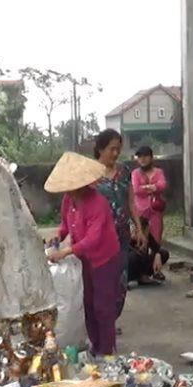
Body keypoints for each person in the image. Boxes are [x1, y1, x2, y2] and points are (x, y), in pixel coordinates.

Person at [46, 152, 122, 357]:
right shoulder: (68, 201)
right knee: (87, 304)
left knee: (103, 307)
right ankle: (95, 346)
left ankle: (107, 352)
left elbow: (93, 238)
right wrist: (57, 237)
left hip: (105, 259)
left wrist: (65, 252)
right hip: (85, 260)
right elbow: (65, 225)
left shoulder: (98, 203)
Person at [93, 129, 146, 319]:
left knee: (121, 281)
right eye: (111, 149)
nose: (115, 153)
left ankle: (111, 320)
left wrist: (138, 229)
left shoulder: (124, 171)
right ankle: (103, 324)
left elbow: (131, 202)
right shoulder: (89, 174)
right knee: (101, 282)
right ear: (100, 148)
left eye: (118, 149)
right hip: (98, 238)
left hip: (121, 236)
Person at [131, 146, 168, 244]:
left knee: (156, 238)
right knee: (140, 239)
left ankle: (155, 256)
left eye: (145, 156)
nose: (142, 159)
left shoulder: (159, 172)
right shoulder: (135, 173)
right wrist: (154, 188)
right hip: (140, 211)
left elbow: (163, 185)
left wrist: (147, 187)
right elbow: (136, 190)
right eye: (139, 157)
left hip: (155, 208)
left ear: (151, 157)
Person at [128, 216, 169, 285]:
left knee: (163, 253)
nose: (147, 233)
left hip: (143, 261)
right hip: (131, 264)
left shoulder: (148, 236)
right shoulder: (128, 237)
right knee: (135, 256)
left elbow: (156, 247)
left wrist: (157, 255)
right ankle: (127, 280)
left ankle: (147, 275)